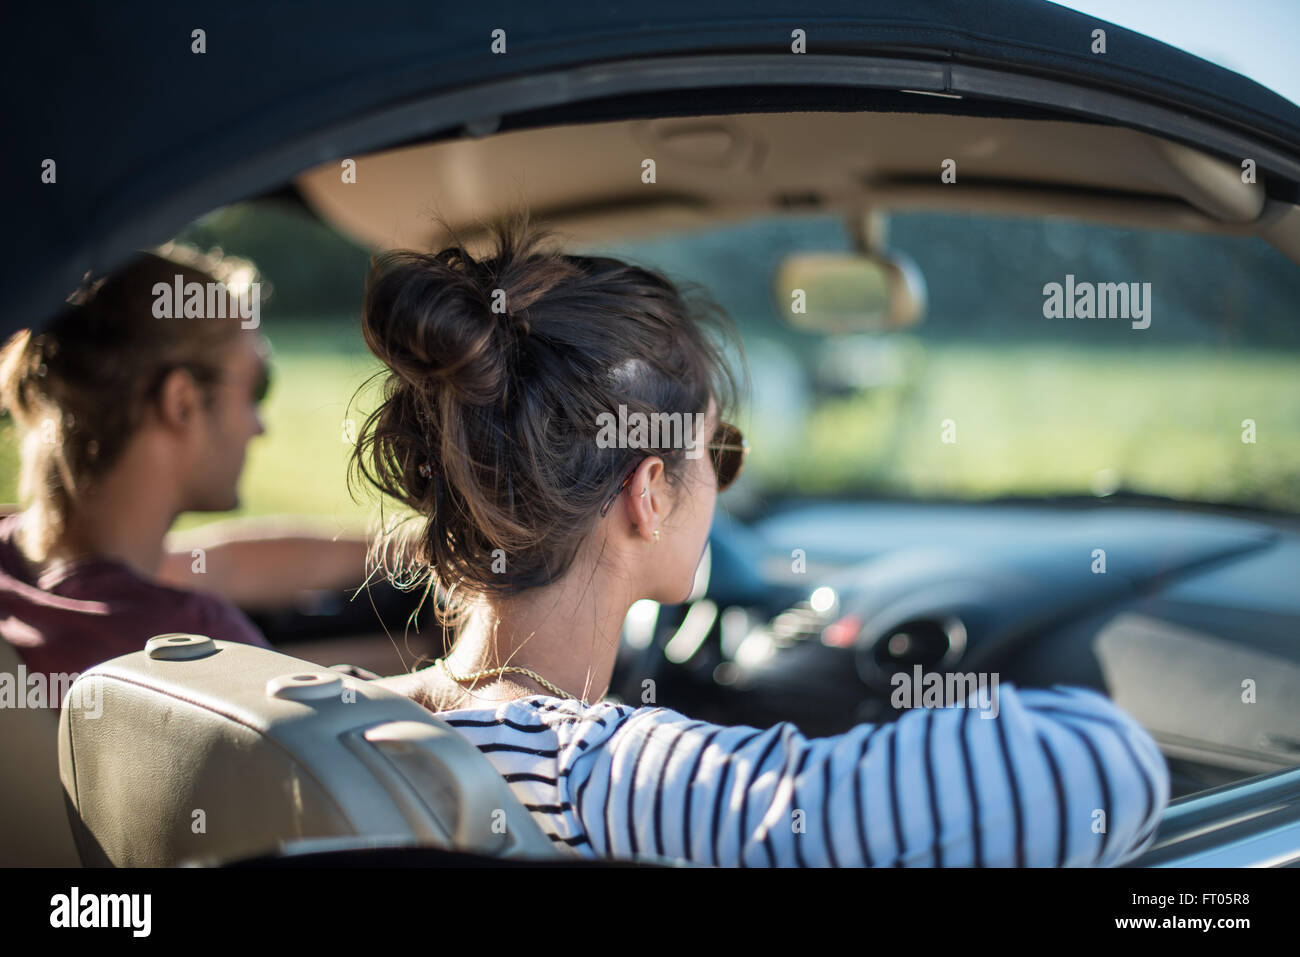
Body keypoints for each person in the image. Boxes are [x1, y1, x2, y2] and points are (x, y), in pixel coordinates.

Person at [359, 214, 1169, 867]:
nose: (722, 480)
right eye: (718, 451)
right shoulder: (607, 779)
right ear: (648, 493)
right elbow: (1104, 765)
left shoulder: (345, 715)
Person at [0, 245, 367, 682]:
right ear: (182, 403)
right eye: (256, 388)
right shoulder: (192, 642)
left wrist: (407, 549)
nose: (259, 427)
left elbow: (219, 562)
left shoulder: (26, 567)